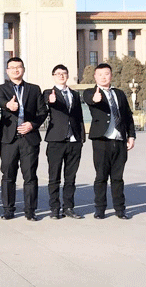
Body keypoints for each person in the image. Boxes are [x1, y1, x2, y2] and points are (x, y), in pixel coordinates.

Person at [0, 57, 48, 221]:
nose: (15, 70)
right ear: (7, 71)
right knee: (8, 175)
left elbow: (42, 112)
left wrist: (32, 125)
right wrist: (7, 105)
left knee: (30, 176)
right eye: (12, 67)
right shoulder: (0, 88)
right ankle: (8, 209)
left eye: (18, 67)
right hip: (9, 139)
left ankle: (30, 211)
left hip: (29, 138)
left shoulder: (34, 89)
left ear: (23, 69)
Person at [83, 63, 136, 220]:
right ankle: (100, 209)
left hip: (119, 140)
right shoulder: (90, 92)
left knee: (117, 178)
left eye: (106, 74)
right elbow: (89, 99)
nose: (103, 77)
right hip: (101, 141)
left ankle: (120, 209)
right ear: (95, 77)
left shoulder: (119, 93)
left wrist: (131, 136)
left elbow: (128, 116)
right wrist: (95, 99)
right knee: (101, 177)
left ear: (111, 75)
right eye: (100, 74)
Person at [43, 64, 85, 220]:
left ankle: (68, 207)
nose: (61, 75)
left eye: (64, 73)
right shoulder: (48, 92)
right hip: (56, 140)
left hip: (74, 140)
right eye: (58, 73)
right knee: (54, 177)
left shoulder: (74, 94)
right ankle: (54, 208)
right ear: (53, 76)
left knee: (70, 177)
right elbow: (46, 103)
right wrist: (51, 101)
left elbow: (79, 116)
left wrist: (81, 137)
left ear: (67, 75)